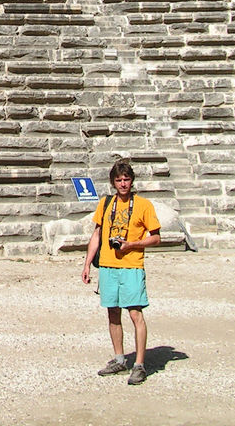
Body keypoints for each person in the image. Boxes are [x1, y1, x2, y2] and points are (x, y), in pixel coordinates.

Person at [82, 159, 161, 386]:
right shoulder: (106, 204)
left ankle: (139, 364)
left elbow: (156, 237)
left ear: (132, 180)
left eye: (126, 179)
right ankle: (119, 358)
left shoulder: (144, 205)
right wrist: (87, 264)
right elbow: (96, 235)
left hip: (132, 265)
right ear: (113, 182)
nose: (123, 184)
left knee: (135, 314)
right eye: (119, 180)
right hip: (108, 265)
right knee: (113, 313)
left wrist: (131, 244)